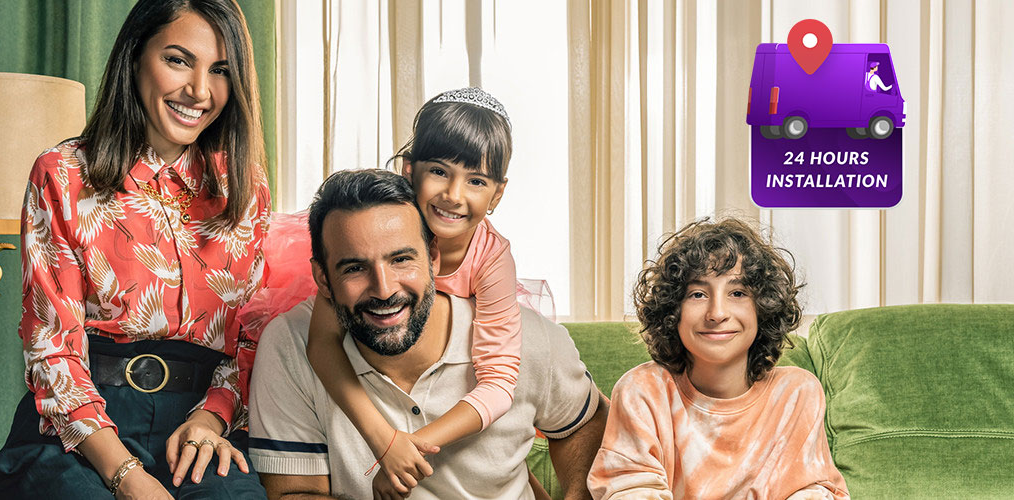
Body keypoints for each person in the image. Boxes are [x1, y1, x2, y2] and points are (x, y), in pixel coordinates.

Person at [0, 1, 272, 498]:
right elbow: (53, 350)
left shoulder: (244, 187)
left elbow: (252, 337)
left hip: (198, 430)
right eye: (178, 60)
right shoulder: (63, 174)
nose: (200, 91)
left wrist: (211, 419)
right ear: (135, 56)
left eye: (220, 70)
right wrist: (126, 477)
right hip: (80, 434)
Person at [250, 168, 610, 500]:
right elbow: (296, 493)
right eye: (355, 268)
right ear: (323, 279)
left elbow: (587, 423)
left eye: (401, 259)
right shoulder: (289, 344)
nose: (384, 289)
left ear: (433, 256)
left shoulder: (526, 338)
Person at [263, 88, 528, 496]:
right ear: (409, 171)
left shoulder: (492, 260)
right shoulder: (371, 232)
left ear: (497, 194)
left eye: (475, 180)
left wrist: (411, 448)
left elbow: (497, 383)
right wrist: (384, 441)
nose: (453, 195)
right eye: (439, 171)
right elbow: (322, 344)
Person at [589, 218, 849, 500]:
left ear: (763, 307)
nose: (717, 313)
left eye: (737, 293)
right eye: (698, 294)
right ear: (672, 310)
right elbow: (629, 489)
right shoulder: (643, 391)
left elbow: (812, 491)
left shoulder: (796, 394)